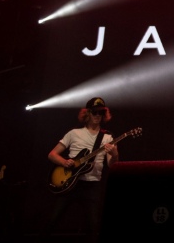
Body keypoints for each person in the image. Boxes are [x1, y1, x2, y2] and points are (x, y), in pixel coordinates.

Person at [44, 97, 118, 242]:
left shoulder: (108, 137)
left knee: (93, 225)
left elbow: (112, 164)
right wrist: (64, 162)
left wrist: (114, 153)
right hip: (70, 182)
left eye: (101, 112)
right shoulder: (74, 133)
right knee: (53, 220)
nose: (98, 115)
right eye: (95, 112)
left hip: (92, 185)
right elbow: (52, 154)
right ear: (87, 113)